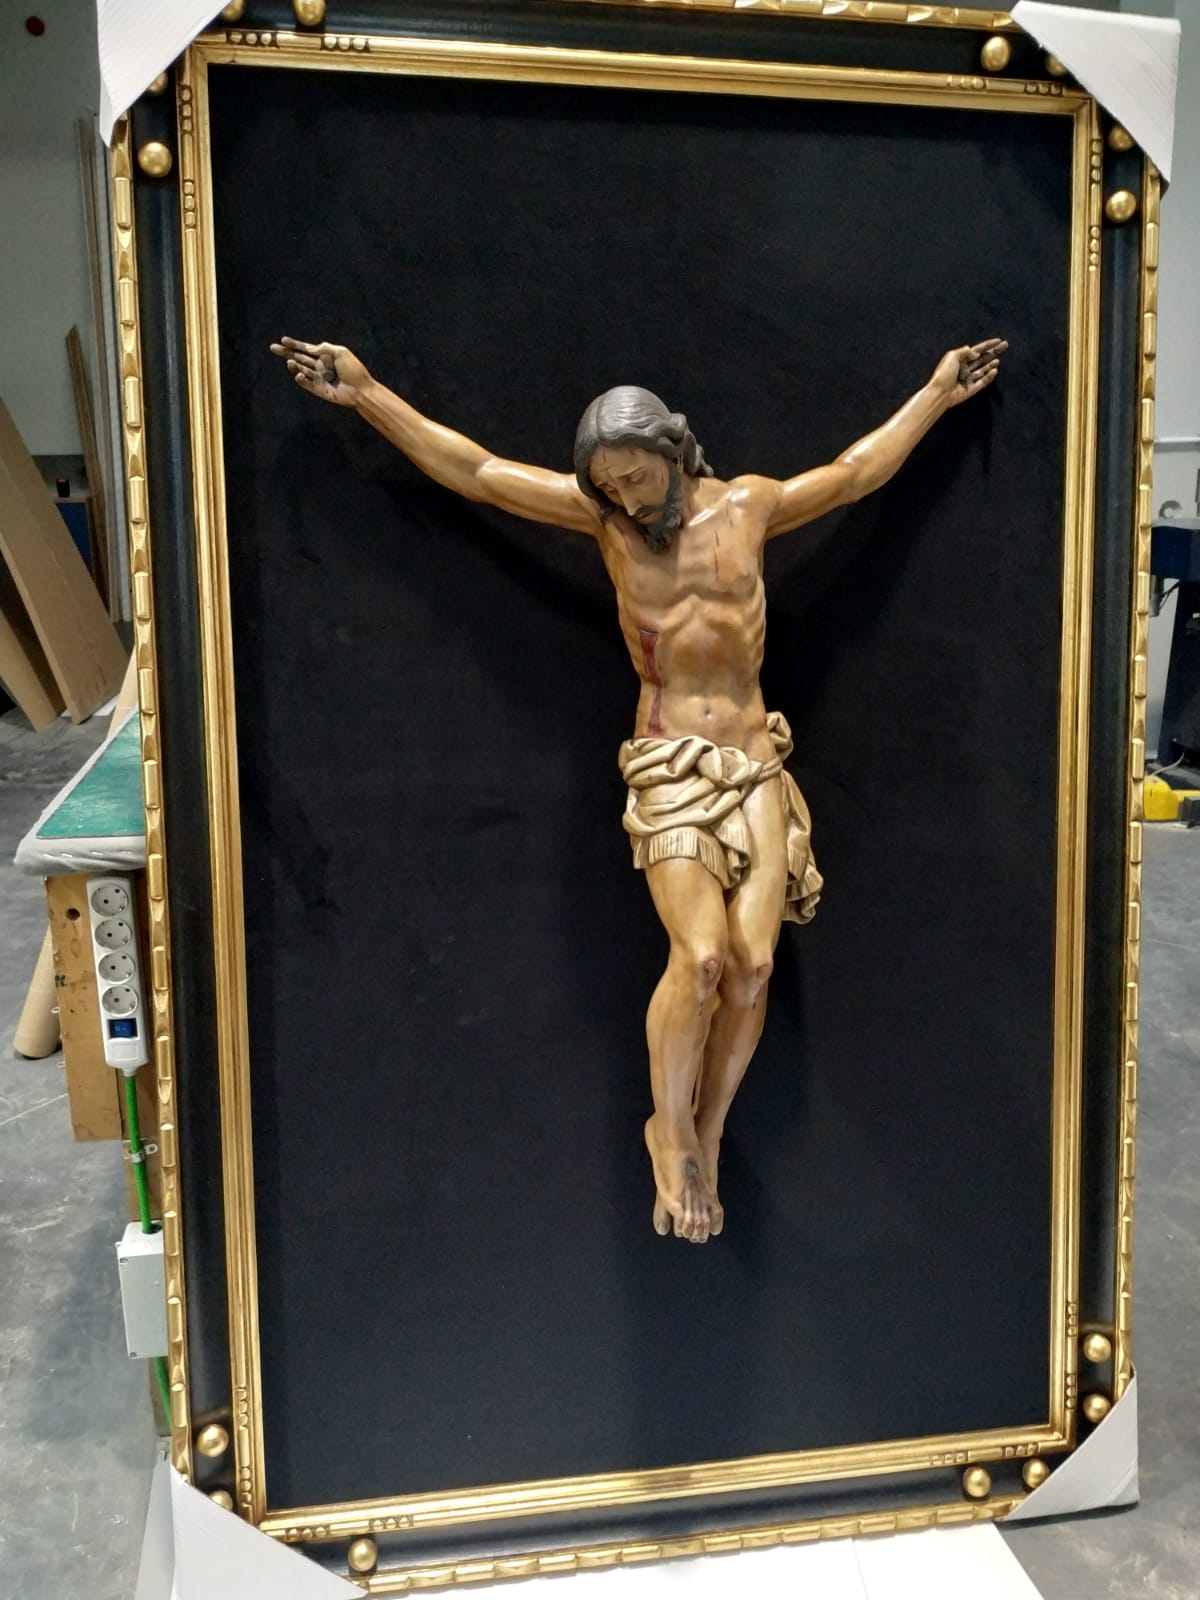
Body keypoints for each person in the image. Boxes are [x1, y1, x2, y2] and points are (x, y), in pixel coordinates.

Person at [270, 334, 1006, 1243]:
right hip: (668, 762)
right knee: (700, 959)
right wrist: (368, 394)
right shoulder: (607, 527)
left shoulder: (749, 506)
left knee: (754, 968)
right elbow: (480, 472)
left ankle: (706, 1130)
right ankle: (669, 1131)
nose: (623, 496)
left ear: (672, 448)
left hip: (754, 763)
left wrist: (935, 394)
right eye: (608, 485)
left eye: (634, 476)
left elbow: (855, 475)